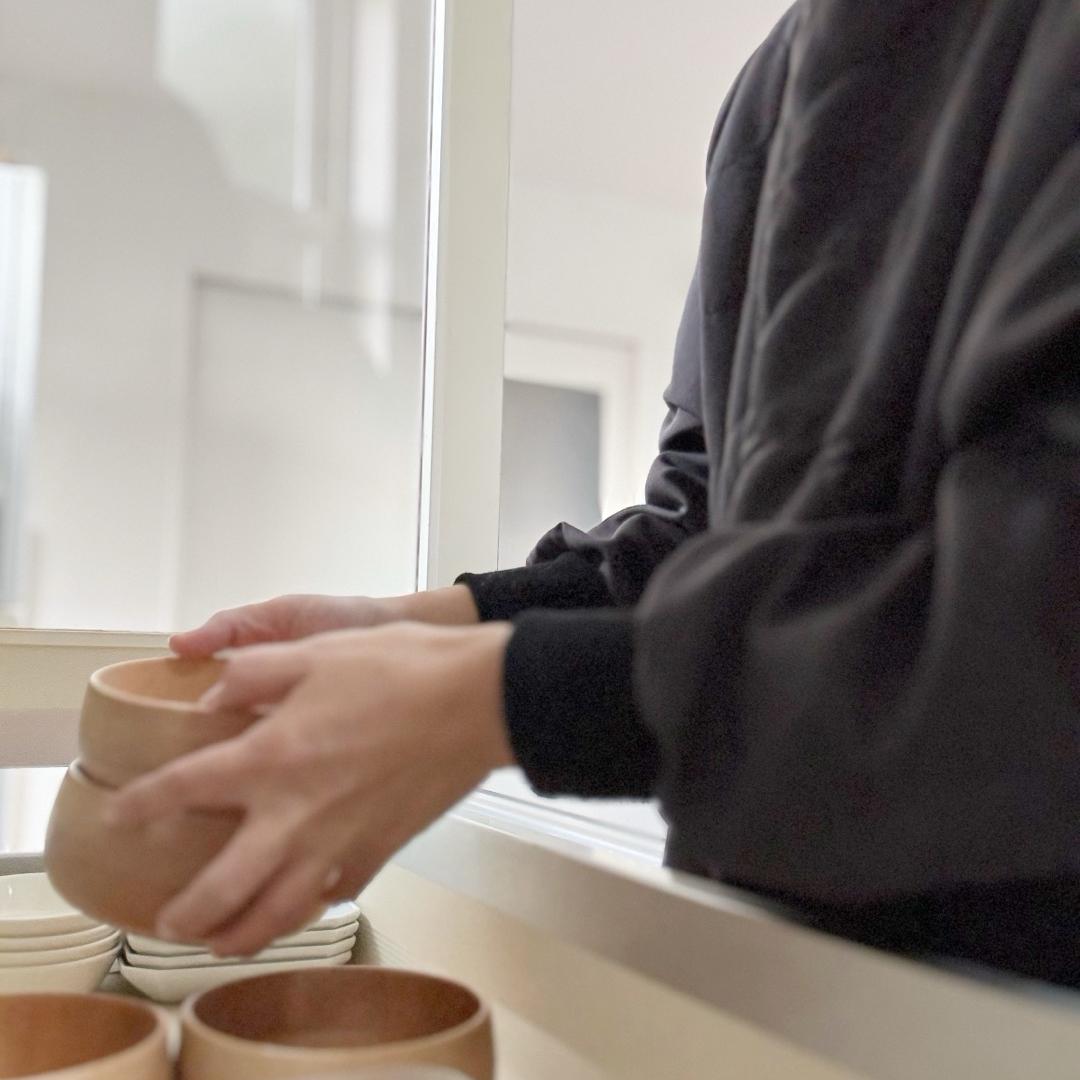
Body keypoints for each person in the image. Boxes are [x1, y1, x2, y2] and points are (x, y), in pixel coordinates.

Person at [108, 0, 1080, 985]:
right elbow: (699, 531)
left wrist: (492, 698)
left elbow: (1033, 628)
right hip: (776, 955)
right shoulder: (780, 81)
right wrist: (411, 629)